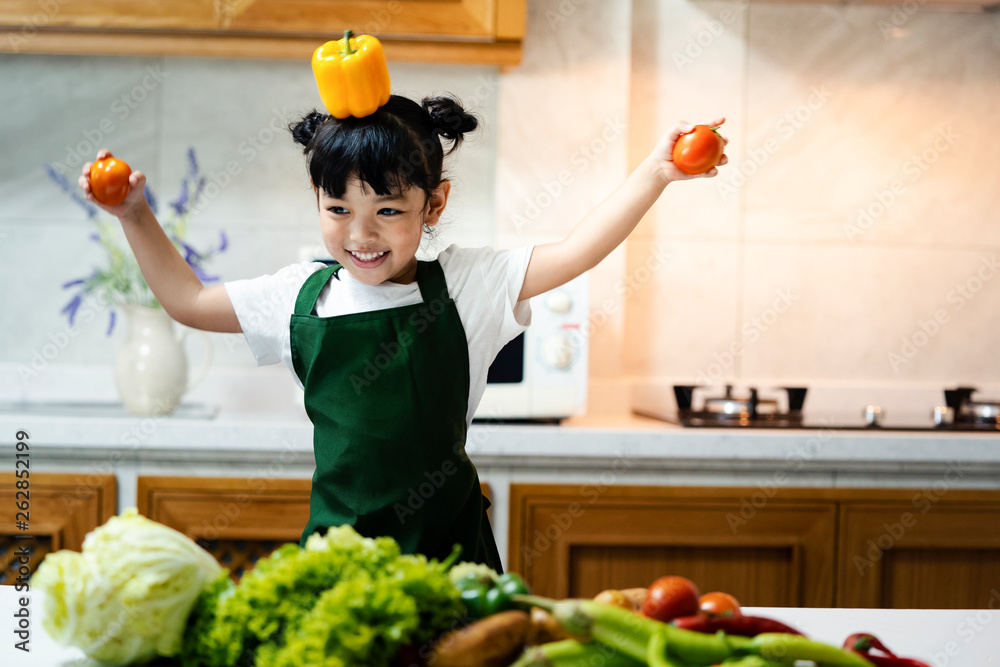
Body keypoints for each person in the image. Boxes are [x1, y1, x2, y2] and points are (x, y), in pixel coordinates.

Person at [79, 94, 726, 571]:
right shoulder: (298, 296)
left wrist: (656, 174)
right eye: (339, 209)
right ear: (317, 197)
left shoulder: (470, 284)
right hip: (338, 560)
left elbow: (579, 249)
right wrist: (133, 214)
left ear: (434, 204)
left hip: (453, 560)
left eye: (388, 210)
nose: (361, 234)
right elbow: (188, 300)